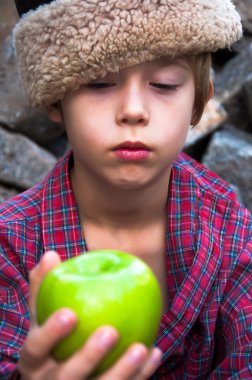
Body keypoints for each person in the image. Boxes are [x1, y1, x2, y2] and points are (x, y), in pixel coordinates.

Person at [0, 0, 251, 378]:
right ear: (55, 97)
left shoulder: (233, 233)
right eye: (99, 82)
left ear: (200, 100)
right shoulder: (9, 246)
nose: (133, 110)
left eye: (164, 84)